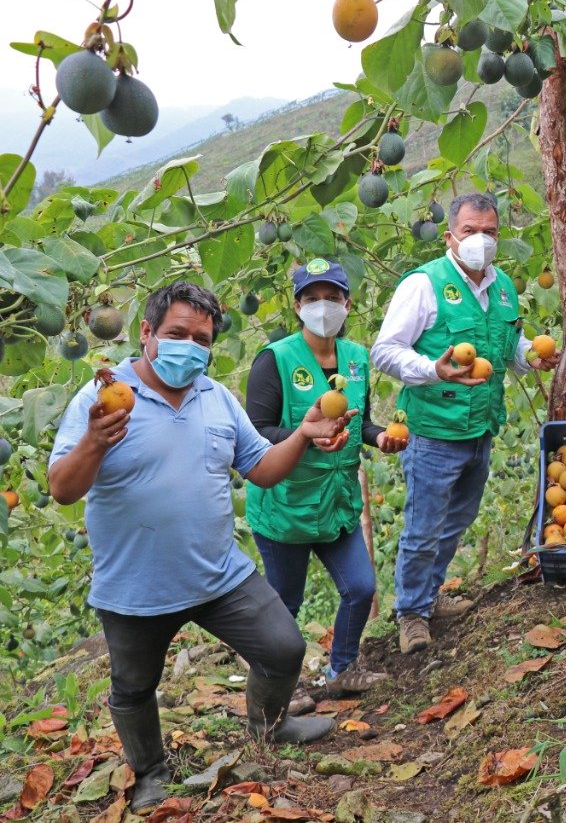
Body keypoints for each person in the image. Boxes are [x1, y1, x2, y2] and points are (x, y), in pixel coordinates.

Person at [47, 282, 353, 813]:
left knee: (283, 648)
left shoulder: (215, 397)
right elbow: (62, 488)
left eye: (202, 338)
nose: (191, 345)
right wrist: (95, 442)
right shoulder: (102, 397)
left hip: (218, 575)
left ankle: (268, 726)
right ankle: (150, 772)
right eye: (177, 334)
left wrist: (302, 436)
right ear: (147, 333)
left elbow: (262, 471)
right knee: (134, 687)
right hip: (135, 588)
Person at [371, 192, 559, 655]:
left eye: (490, 232)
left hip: (481, 427)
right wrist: (433, 369)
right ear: (451, 235)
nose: (481, 240)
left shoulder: (504, 288)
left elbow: (508, 348)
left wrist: (533, 357)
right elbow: (385, 351)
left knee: (458, 519)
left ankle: (429, 597)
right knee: (423, 525)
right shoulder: (424, 285)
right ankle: (411, 613)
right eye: (471, 231)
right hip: (434, 430)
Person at [245, 260, 407, 698]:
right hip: (286, 504)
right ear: (297, 306)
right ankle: (278, 689)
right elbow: (256, 432)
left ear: (347, 303)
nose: (323, 306)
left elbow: (361, 423)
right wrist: (305, 437)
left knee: (360, 588)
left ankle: (343, 670)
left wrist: (381, 437)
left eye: (332, 297)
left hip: (337, 502)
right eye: (312, 298)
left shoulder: (356, 358)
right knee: (284, 607)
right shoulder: (274, 360)